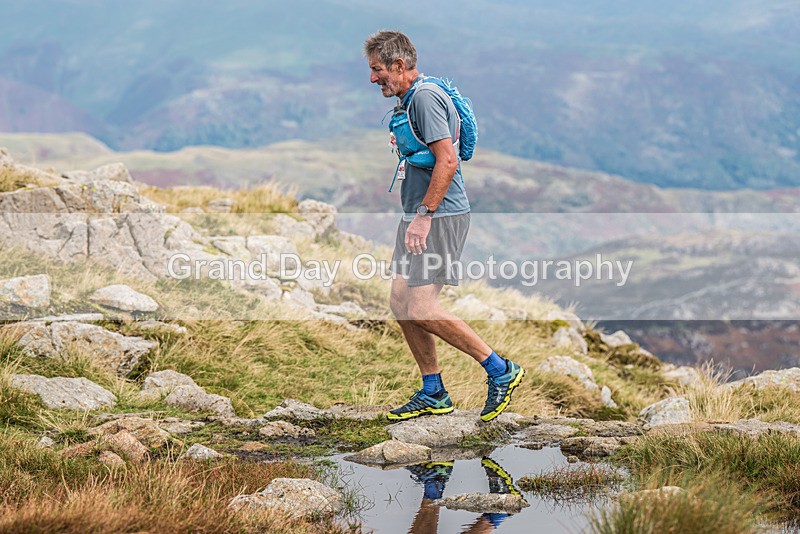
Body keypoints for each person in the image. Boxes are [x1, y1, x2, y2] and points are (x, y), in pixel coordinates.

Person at [364, 30, 525, 422]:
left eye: (377, 70)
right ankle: (433, 391)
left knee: (421, 307)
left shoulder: (424, 99)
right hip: (419, 217)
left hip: (438, 217)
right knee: (401, 302)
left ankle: (500, 370)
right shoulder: (412, 96)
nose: (373, 79)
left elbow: (448, 161)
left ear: (399, 66)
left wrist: (423, 217)